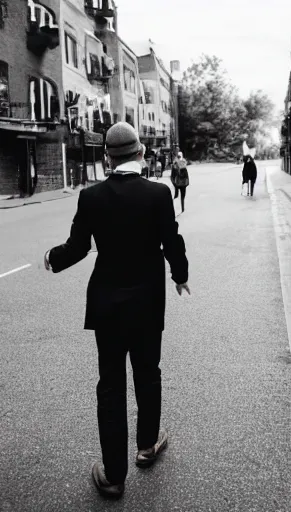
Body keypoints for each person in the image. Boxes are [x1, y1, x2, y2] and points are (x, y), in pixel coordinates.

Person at [43, 122, 190, 500]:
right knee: (147, 373)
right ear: (140, 153)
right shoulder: (158, 195)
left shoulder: (91, 197)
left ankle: (113, 476)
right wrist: (180, 275)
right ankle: (146, 446)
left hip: (107, 305)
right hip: (146, 304)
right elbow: (170, 240)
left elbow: (76, 248)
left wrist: (51, 259)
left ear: (107, 157)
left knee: (110, 386)